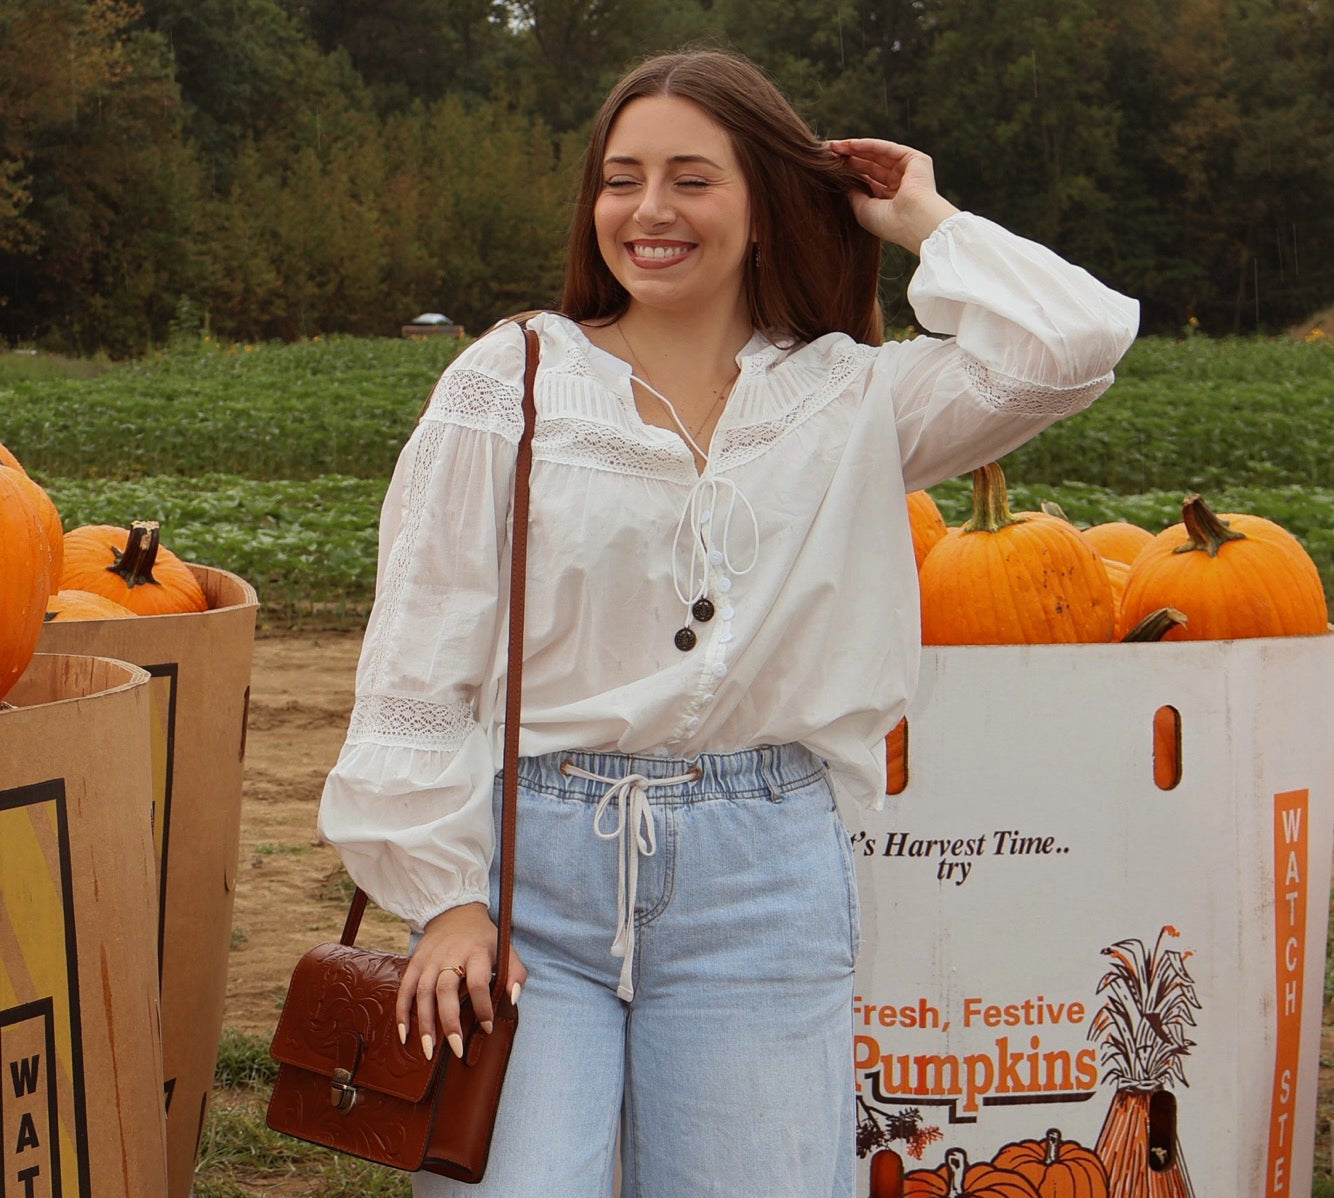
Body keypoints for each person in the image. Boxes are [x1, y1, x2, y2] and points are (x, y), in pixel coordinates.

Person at [317, 47, 1138, 1198]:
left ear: (763, 206)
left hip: (761, 877)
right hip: (528, 881)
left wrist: (920, 216)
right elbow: (419, 649)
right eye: (621, 177)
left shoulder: (850, 399)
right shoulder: (511, 383)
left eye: (691, 178)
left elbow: (1072, 344)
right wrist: (447, 899)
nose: (648, 210)